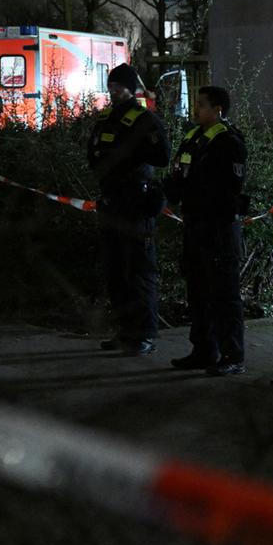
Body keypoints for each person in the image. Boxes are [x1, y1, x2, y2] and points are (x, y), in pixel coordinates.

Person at [164, 86, 248, 375]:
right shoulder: (192, 138)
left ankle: (233, 356)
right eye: (196, 104)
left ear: (218, 110)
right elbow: (177, 175)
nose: (196, 109)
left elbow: (229, 188)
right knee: (197, 291)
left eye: (202, 104)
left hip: (219, 229)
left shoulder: (228, 142)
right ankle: (203, 350)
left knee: (224, 294)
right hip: (195, 226)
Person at [87, 63, 170, 355]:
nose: (113, 92)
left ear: (131, 88)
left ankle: (144, 334)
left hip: (136, 203)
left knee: (139, 271)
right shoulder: (105, 118)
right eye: (111, 86)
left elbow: (162, 156)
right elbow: (93, 154)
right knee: (116, 272)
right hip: (111, 202)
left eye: (118, 86)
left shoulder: (144, 120)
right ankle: (124, 331)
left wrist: (131, 155)